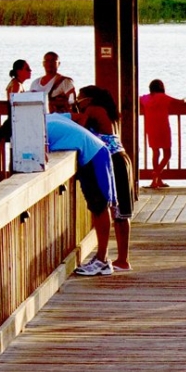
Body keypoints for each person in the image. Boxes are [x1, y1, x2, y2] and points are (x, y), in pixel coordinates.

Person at [72, 85, 135, 272]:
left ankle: (103, 258)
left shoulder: (93, 110)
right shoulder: (108, 111)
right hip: (121, 157)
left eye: (79, 98)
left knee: (108, 208)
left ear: (89, 99)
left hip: (112, 160)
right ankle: (122, 260)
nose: (78, 102)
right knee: (122, 212)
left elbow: (80, 129)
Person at [44, 113, 115, 276]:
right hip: (97, 149)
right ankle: (101, 258)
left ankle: (102, 261)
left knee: (100, 207)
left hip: (93, 156)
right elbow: (76, 116)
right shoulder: (50, 117)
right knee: (99, 207)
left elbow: (41, 156)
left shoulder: (41, 130)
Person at [139, 79, 186, 189]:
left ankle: (156, 181)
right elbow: (180, 102)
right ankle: (156, 174)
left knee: (155, 152)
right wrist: (185, 100)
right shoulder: (164, 97)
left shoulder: (145, 98)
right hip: (163, 128)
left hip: (151, 128)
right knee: (167, 154)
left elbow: (137, 100)